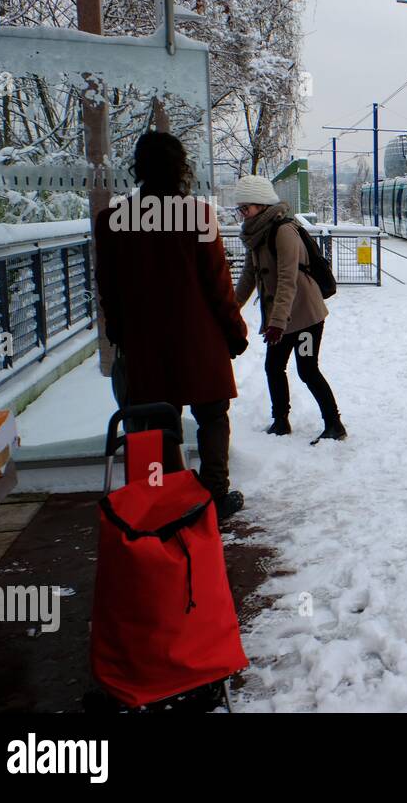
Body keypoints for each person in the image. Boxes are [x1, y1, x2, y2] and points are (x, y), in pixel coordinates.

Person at [94, 131, 250, 522]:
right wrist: (235, 332)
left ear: (138, 168)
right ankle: (215, 494)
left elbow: (108, 286)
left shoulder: (112, 220)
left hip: (145, 343)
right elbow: (218, 284)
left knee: (157, 420)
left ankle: (173, 495)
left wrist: (119, 329)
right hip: (199, 339)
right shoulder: (197, 215)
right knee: (212, 415)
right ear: (181, 167)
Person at [232, 175, 346, 444]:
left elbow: (288, 278)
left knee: (307, 370)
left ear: (260, 205)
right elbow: (249, 275)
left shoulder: (284, 230)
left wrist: (277, 323)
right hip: (281, 318)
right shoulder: (255, 232)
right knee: (273, 367)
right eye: (240, 209)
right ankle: (280, 421)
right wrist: (231, 308)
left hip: (305, 315)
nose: (242, 214)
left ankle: (334, 424)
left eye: (245, 208)